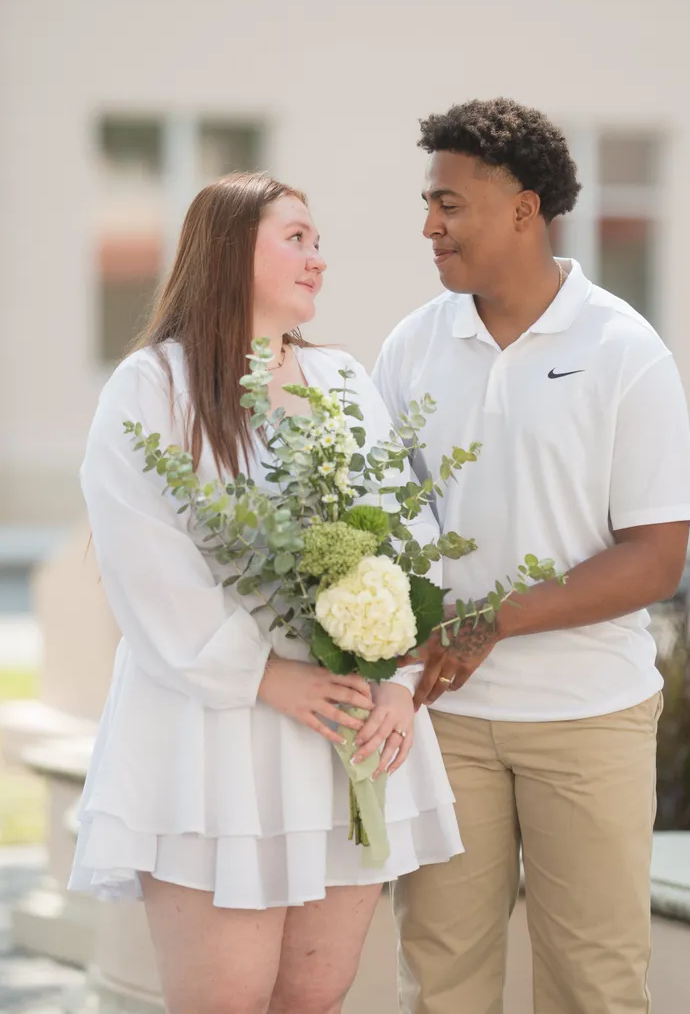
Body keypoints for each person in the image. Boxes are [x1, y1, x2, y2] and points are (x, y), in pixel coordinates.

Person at [68, 172, 462, 1014]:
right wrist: (267, 677)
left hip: (342, 738)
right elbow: (146, 566)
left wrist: (396, 683)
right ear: (226, 250)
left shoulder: (347, 383)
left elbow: (410, 532)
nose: (319, 259)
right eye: (296, 238)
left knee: (314, 999)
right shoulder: (153, 389)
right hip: (217, 740)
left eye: (319, 242)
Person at [373, 98, 690, 1014]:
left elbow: (654, 559)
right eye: (427, 203)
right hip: (446, 724)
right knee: (440, 982)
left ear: (524, 210)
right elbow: (381, 529)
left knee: (593, 988)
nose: (430, 226)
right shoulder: (411, 346)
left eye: (450, 203)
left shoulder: (624, 351)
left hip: (588, 720)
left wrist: (492, 622)